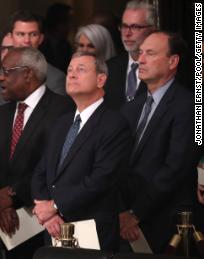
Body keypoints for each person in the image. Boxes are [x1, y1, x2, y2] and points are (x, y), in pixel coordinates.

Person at [31, 51, 131, 252]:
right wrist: (47, 212)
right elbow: (41, 171)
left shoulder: (114, 124)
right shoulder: (61, 123)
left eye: (81, 70)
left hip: (92, 231)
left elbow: (101, 178)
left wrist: (55, 206)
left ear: (101, 79)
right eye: (69, 70)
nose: (72, 75)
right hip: (54, 230)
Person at [0, 47, 73, 259]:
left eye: (6, 71)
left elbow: (55, 165)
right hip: (2, 228)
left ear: (28, 74)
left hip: (42, 226)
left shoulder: (63, 110)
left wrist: (12, 194)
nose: (0, 78)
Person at [119, 31, 200, 253]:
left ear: (173, 61)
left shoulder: (189, 106)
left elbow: (175, 168)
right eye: (140, 53)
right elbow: (116, 162)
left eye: (150, 53)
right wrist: (122, 211)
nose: (140, 60)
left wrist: (135, 213)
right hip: (125, 222)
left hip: (169, 224)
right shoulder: (130, 108)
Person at [0, 10, 66, 107]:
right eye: (21, 34)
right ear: (11, 37)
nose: (27, 41)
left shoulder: (56, 78)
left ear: (41, 39)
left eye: (33, 34)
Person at [104, 0, 157, 109]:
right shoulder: (109, 67)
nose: (127, 33)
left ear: (152, 30)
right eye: (124, 26)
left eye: (135, 27)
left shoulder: (161, 68)